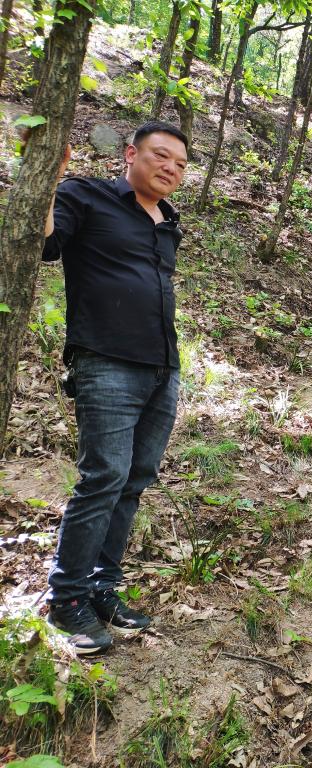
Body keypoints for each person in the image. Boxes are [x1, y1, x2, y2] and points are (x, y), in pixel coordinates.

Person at [42, 121, 189, 654]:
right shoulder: (87, 195)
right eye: (160, 155)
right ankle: (66, 600)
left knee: (134, 480)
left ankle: (102, 587)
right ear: (131, 153)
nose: (170, 168)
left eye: (180, 163)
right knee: (103, 478)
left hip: (162, 368)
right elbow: (45, 244)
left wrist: (170, 368)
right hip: (105, 360)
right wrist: (46, 179)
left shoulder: (168, 222)